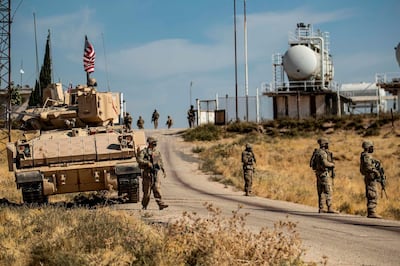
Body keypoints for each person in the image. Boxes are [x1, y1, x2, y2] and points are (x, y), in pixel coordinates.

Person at [137, 136, 168, 210]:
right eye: (153, 143)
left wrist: (163, 170)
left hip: (155, 173)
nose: (155, 144)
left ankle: (161, 204)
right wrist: (147, 163)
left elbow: (160, 162)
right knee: (147, 192)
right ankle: (144, 205)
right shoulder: (144, 152)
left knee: (157, 189)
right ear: (150, 143)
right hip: (147, 174)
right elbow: (139, 159)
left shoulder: (157, 152)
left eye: (155, 143)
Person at [309, 138, 337, 213]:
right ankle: (329, 207)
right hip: (324, 174)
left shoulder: (316, 152)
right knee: (328, 190)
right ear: (324, 144)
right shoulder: (323, 153)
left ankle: (321, 207)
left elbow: (311, 164)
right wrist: (332, 165)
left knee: (320, 191)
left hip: (318, 174)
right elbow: (325, 163)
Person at [360, 141, 383, 219]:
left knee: (372, 192)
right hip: (370, 177)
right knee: (372, 193)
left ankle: (372, 211)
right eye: (371, 147)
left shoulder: (366, 155)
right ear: (368, 147)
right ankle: (372, 211)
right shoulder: (366, 156)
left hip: (370, 177)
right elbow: (368, 166)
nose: (373, 148)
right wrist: (376, 171)